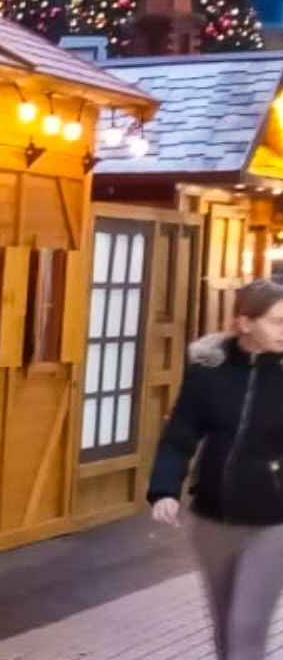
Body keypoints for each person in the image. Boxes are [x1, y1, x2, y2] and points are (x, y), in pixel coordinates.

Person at [148, 279, 283, 660]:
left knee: (246, 626)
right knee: (225, 628)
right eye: (276, 321)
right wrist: (164, 491)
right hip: (212, 520)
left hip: (272, 522)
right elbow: (180, 435)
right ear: (244, 322)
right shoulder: (209, 372)